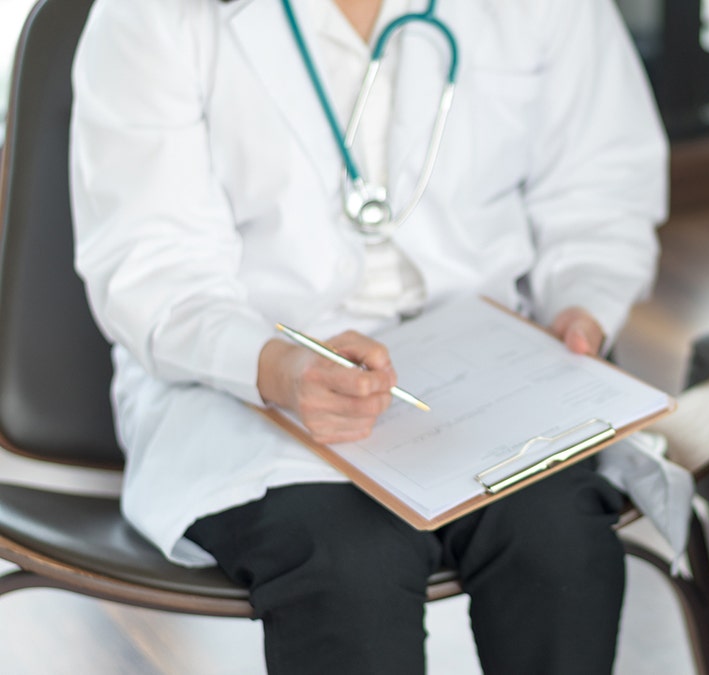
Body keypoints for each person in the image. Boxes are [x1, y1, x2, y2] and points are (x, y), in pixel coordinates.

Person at [68, 0, 667, 673]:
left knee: (558, 535)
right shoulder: (151, 15)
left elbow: (601, 182)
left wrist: (582, 304)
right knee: (347, 561)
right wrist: (271, 367)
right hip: (242, 385)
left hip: (489, 367)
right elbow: (152, 265)